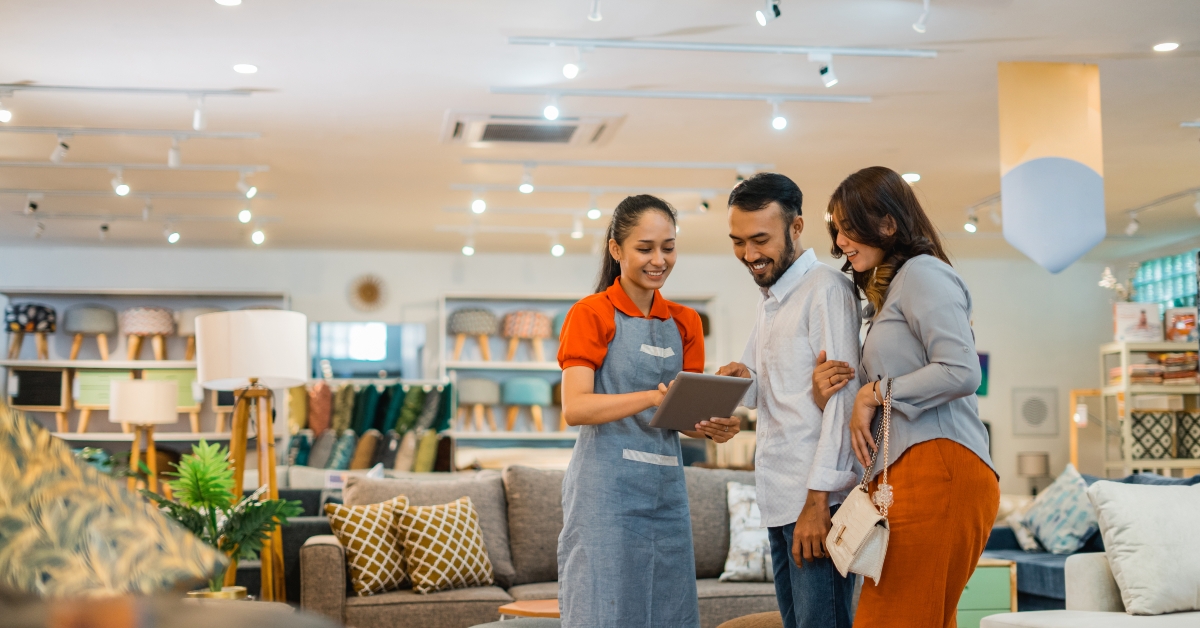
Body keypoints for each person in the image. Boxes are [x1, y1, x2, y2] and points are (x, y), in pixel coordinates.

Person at [813, 166, 1000, 628]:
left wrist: (874, 393)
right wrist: (836, 391)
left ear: (888, 223)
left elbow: (961, 370)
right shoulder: (892, 288)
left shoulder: (923, 274)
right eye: (836, 230)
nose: (840, 242)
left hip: (938, 468)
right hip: (910, 473)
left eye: (848, 227)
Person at [556, 194, 742, 628]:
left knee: (669, 610)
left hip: (666, 492)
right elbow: (576, 407)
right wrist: (651, 396)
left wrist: (714, 422)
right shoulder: (591, 314)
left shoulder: (685, 322)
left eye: (668, 247)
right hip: (605, 492)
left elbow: (683, 421)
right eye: (645, 248)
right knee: (604, 610)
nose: (659, 259)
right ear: (616, 250)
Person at [715, 173, 861, 628]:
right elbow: (768, 389)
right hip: (780, 500)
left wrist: (818, 501)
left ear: (796, 228)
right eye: (738, 241)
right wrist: (741, 379)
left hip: (817, 504)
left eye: (760, 239)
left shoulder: (826, 290)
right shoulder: (771, 298)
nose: (749, 254)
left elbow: (843, 402)